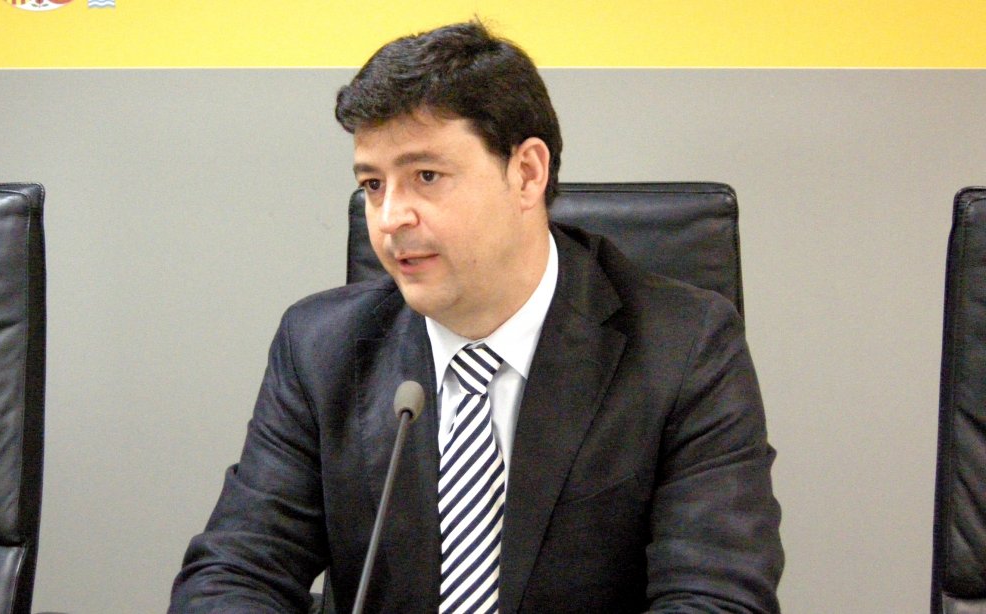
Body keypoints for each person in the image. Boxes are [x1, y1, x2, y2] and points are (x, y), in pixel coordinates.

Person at [169, 20, 783, 613]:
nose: (390, 218)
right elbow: (236, 571)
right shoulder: (319, 347)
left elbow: (717, 595)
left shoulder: (686, 346)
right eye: (373, 185)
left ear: (527, 173)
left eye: (426, 176)